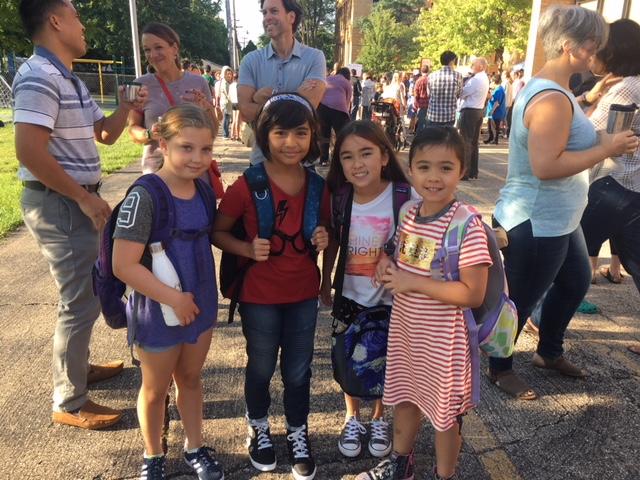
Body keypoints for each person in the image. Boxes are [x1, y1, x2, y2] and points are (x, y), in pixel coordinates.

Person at [490, 6, 638, 400]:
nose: (597, 52)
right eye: (593, 44)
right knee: (520, 300)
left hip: (559, 218)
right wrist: (606, 147)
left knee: (575, 281)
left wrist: (592, 107)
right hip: (537, 220)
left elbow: (565, 135)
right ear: (571, 46)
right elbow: (545, 166)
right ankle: (499, 368)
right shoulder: (552, 99)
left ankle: (549, 352)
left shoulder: (555, 91)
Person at [13, 0, 148, 429]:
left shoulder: (67, 77)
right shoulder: (39, 75)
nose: (83, 25)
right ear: (55, 21)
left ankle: (78, 368)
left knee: (86, 291)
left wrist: (125, 106)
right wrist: (83, 199)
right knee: (79, 299)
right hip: (61, 203)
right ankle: (69, 400)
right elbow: (28, 151)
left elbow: (105, 134)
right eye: (76, 15)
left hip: (73, 200)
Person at [356, 127, 492, 480]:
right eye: (424, 167)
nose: (434, 177)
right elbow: (398, 251)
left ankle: (445, 474)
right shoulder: (409, 213)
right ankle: (400, 465)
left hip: (445, 342)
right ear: (411, 170)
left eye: (446, 168)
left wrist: (411, 282)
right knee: (404, 399)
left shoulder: (466, 225)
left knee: (445, 417)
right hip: (408, 334)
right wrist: (386, 261)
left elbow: (472, 293)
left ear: (462, 171)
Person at [212, 94, 330, 480]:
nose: (291, 142)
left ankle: (298, 430)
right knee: (261, 366)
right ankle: (258, 425)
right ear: (264, 135)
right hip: (259, 296)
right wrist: (246, 248)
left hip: (302, 295)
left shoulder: (317, 187)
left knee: (298, 370)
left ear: (312, 135)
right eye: (280, 133)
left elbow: (327, 230)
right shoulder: (248, 185)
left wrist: (324, 237)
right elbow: (218, 231)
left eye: (301, 133)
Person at [113, 104, 223, 480]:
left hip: (200, 305)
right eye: (186, 148)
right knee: (155, 388)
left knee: (190, 379)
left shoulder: (203, 190)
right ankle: (153, 455)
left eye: (205, 149)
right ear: (163, 143)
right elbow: (123, 265)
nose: (197, 158)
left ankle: (195, 447)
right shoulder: (146, 196)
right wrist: (174, 298)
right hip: (157, 311)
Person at [321, 121, 412, 460]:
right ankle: (352, 417)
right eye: (347, 156)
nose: (357, 164)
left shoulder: (405, 197)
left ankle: (378, 418)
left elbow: (423, 241)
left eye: (366, 153)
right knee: (348, 359)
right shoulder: (340, 198)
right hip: (349, 296)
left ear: (384, 156)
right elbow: (333, 241)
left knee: (385, 362)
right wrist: (325, 281)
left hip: (393, 300)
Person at [578, 19, 640, 353]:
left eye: (598, 47)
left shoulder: (625, 88)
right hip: (632, 186)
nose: (592, 54)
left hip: (613, 184)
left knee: (572, 251)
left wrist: (587, 101)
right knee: (634, 260)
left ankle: (543, 320)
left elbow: (593, 135)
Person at [238, 0, 327, 165]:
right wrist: (297, 96)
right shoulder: (250, 60)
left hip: (301, 163)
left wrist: (263, 98)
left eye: (273, 11)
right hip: (261, 161)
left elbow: (308, 107)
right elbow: (245, 112)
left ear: (291, 17)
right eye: (264, 13)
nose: (267, 17)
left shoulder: (315, 57)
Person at [128, 23, 218, 174]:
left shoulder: (199, 82)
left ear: (174, 49)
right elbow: (132, 129)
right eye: (147, 50)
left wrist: (207, 109)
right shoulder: (138, 85)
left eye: (158, 47)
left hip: (194, 169)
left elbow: (213, 131)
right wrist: (149, 134)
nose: (152, 55)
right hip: (157, 171)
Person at [457, 57, 489, 180]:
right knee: (474, 142)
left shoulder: (476, 79)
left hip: (470, 111)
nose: (471, 66)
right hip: (478, 110)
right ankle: (473, 171)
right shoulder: (484, 78)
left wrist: (463, 84)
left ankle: (464, 172)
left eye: (473, 64)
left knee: (466, 141)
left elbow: (462, 93)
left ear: (480, 66)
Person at [318, 67, 352, 166]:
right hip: (339, 109)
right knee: (342, 135)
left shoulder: (327, 79)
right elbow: (348, 99)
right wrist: (346, 113)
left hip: (323, 107)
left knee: (324, 135)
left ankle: (323, 159)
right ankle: (340, 158)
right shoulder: (346, 82)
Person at [427, 51, 463, 127]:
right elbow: (459, 94)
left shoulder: (431, 76)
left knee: (432, 134)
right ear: (452, 61)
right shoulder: (458, 76)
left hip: (433, 115)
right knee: (447, 135)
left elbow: (429, 94)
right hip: (449, 116)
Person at [484, 73, 507, 144]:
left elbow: (497, 102)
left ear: (494, 82)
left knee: (495, 126)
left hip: (496, 112)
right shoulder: (496, 89)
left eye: (492, 81)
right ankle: (490, 138)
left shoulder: (499, 90)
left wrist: (492, 111)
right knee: (490, 126)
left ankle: (495, 139)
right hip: (493, 111)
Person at [413, 65, 430, 133]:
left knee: (420, 125)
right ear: (428, 71)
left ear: (421, 71)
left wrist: (415, 106)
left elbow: (416, 95)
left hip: (421, 105)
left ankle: (419, 138)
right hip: (430, 105)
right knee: (428, 125)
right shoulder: (431, 80)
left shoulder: (418, 81)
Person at [219, 66, 234, 139]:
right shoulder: (224, 83)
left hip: (228, 103)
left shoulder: (228, 82)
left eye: (230, 74)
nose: (229, 75)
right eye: (228, 74)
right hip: (226, 103)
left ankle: (226, 133)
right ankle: (225, 134)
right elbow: (227, 94)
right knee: (225, 118)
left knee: (227, 119)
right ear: (224, 74)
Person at [230, 71, 242, 141]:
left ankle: (232, 135)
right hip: (238, 102)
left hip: (233, 102)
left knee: (234, 119)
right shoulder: (239, 85)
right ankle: (237, 135)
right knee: (237, 119)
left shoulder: (231, 85)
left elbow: (229, 95)